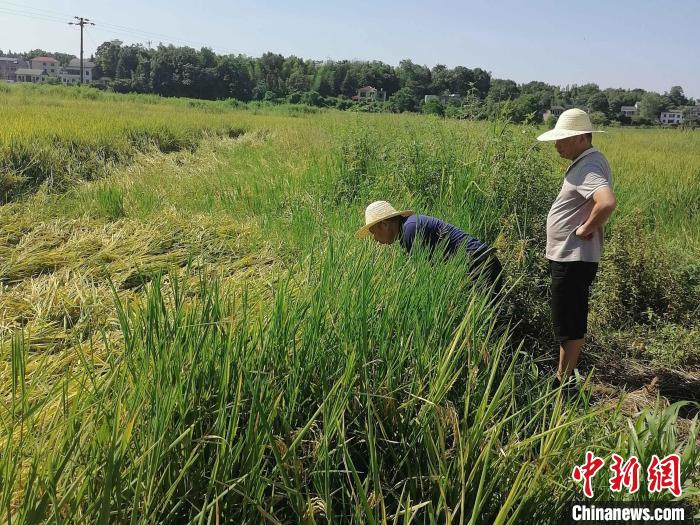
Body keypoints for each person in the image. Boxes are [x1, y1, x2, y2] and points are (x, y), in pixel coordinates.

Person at [537, 108, 616, 383]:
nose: (557, 145)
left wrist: (584, 228)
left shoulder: (589, 165)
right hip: (570, 257)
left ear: (581, 138)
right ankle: (564, 375)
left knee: (569, 321)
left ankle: (563, 381)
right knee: (568, 317)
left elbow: (606, 202)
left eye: (562, 139)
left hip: (572, 258)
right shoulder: (588, 161)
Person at [356, 200, 503, 297]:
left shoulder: (410, 230)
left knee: (491, 322)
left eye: (374, 233)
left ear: (384, 225)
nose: (375, 239)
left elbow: (425, 277)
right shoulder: (407, 229)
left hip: (480, 266)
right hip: (478, 265)